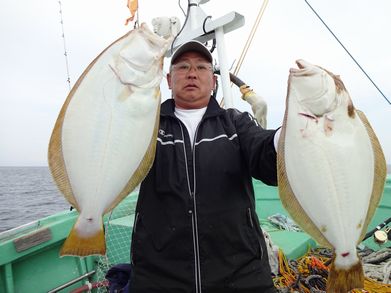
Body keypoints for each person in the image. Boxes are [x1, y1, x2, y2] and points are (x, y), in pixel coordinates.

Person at [129, 40, 279, 293]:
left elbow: (266, 156)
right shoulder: (147, 127)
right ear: (168, 79)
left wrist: (289, 136)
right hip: (158, 276)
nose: (191, 73)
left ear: (214, 81)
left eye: (201, 67)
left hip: (242, 275)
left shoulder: (235, 124)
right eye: (183, 67)